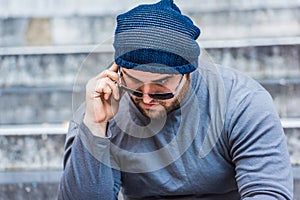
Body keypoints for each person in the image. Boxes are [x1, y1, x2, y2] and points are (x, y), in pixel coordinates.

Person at [58, 0, 293, 199]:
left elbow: (268, 192)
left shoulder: (243, 102)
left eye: (161, 86)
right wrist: (95, 128)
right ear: (118, 71)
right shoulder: (101, 106)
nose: (147, 96)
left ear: (188, 72)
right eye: (135, 85)